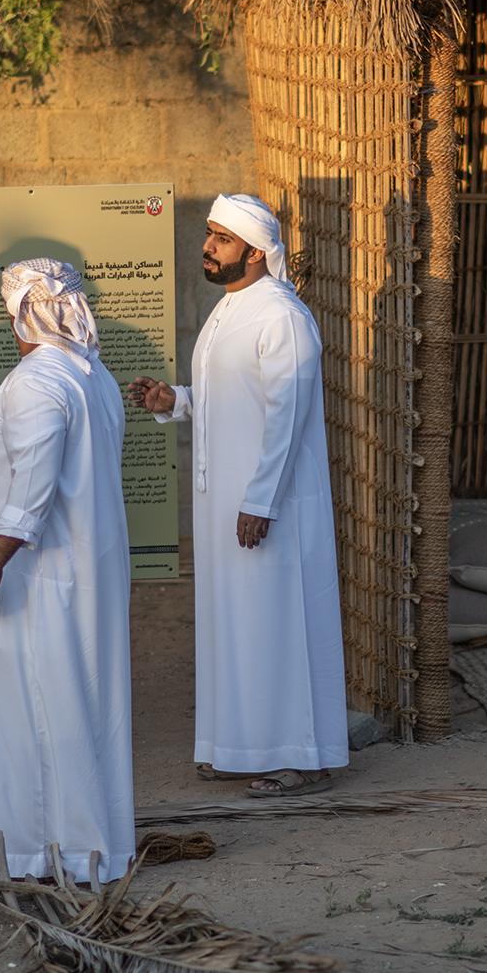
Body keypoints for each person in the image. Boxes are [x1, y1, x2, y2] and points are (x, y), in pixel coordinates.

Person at [127, 194, 348, 797]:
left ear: (255, 252)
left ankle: (300, 759)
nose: (207, 247)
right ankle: (242, 748)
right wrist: (176, 400)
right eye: (209, 235)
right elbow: (233, 399)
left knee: (277, 625)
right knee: (237, 626)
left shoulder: (282, 315)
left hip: (266, 507)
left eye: (221, 240)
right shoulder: (228, 310)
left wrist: (263, 500)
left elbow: (288, 415)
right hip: (229, 504)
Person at [0, 258, 135, 883]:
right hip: (80, 573)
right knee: (81, 707)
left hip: (39, 583)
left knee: (36, 708)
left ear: (20, 314)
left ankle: (40, 851)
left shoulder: (37, 382)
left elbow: (31, 488)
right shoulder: (93, 376)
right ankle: (88, 851)